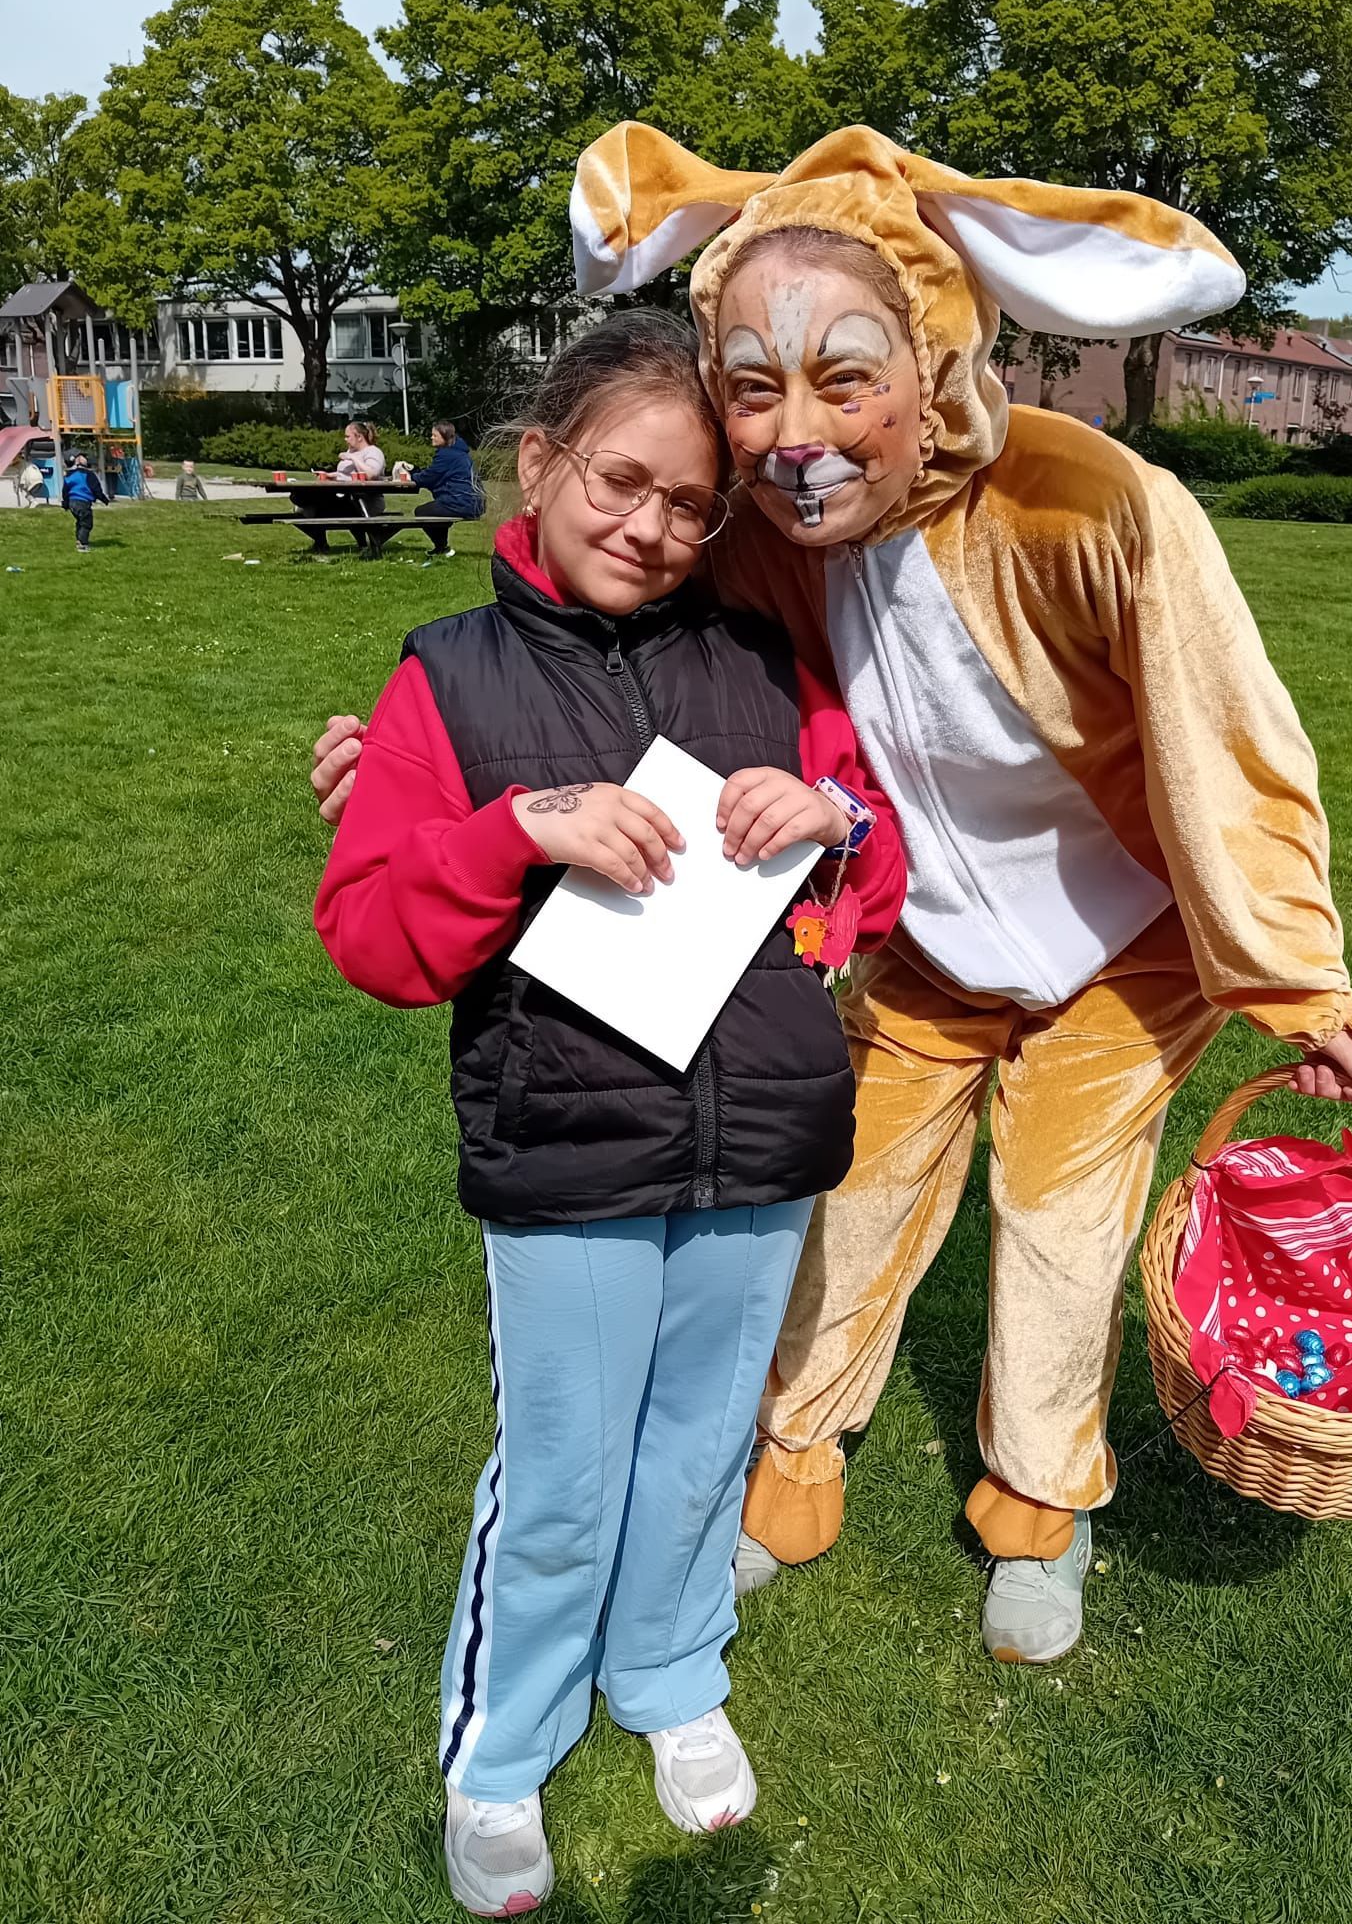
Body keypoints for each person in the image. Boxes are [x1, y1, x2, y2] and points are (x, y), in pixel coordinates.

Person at [314, 124, 1352, 1672]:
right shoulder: (761, 538)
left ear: (936, 355)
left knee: (1055, 1224)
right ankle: (790, 1457)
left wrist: (1294, 981)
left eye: (844, 380)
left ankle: (1038, 1506)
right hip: (914, 939)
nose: (794, 438)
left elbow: (1226, 737)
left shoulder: (1090, 506)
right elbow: (597, 603)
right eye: (753, 389)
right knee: (846, 1199)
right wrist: (413, 760)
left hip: (1121, 945)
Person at [313, 306, 903, 1917]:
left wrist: (829, 817)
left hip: (760, 1141)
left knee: (701, 1445)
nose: (648, 527)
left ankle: (669, 1672)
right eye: (618, 482)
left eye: (689, 505)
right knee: (564, 1473)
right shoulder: (446, 675)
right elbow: (371, 936)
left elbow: (874, 878)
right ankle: (502, 1748)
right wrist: (515, 827)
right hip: (565, 1152)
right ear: (540, 462)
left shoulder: (763, 660)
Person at [392, 419, 483, 556]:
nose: (431, 437)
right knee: (435, 510)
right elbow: (435, 473)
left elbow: (430, 477)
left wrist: (411, 476)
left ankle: (441, 547)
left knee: (422, 512)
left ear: (444, 437)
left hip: (461, 502)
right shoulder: (458, 452)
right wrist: (415, 471)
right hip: (473, 502)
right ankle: (441, 548)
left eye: (435, 435)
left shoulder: (447, 454)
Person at [60, 454, 108, 552]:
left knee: (80, 521)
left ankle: (79, 539)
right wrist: (104, 499)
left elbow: (65, 490)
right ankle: (82, 544)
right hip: (83, 502)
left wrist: (65, 503)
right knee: (87, 523)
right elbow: (96, 489)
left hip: (72, 502)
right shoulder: (89, 475)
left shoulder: (69, 475)